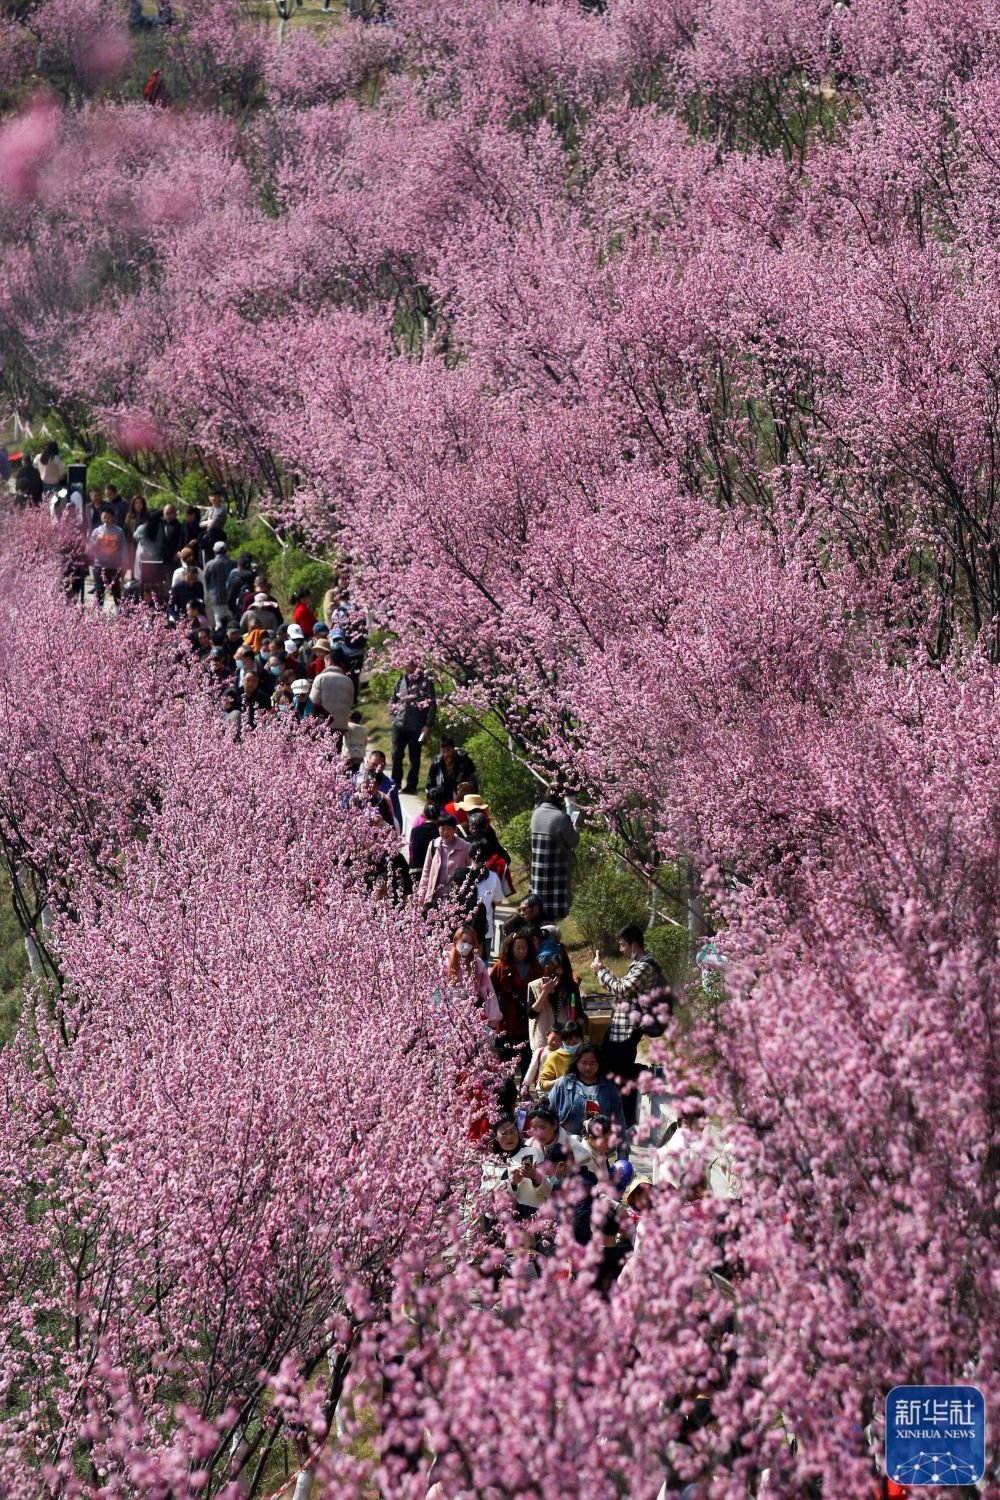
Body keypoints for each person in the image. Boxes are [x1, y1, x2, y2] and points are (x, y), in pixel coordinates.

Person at [593, 923, 672, 1130]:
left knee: (621, 1076)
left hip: (627, 1031)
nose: (621, 949)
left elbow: (621, 990)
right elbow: (624, 988)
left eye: (622, 945)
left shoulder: (645, 966)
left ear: (634, 945)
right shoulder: (638, 965)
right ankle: (619, 1118)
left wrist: (601, 971)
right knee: (614, 1071)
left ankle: (626, 1121)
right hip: (621, 1028)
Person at [489, 930, 543, 1073]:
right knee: (506, 1062)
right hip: (506, 1021)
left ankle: (525, 1085)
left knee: (527, 1060)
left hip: (528, 1020)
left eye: (524, 948)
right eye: (518, 948)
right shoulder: (501, 966)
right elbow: (490, 990)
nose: (521, 951)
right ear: (511, 948)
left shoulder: (535, 967)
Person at [547, 1045, 627, 1139]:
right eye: (584, 1062)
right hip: (567, 1142)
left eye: (593, 1063)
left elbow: (619, 1121)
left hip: (599, 1143)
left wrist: (621, 1145)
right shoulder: (564, 1084)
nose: (588, 1067)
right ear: (576, 1062)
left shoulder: (610, 1089)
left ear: (599, 1063)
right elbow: (548, 1113)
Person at [529, 787, 580, 920]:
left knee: (537, 912)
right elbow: (573, 840)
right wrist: (574, 827)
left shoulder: (536, 813)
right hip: (556, 876)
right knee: (553, 917)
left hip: (537, 875)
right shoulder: (561, 818)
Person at [388, 660, 437, 794]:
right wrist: (392, 717)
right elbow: (393, 700)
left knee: (414, 757)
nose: (408, 666)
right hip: (399, 724)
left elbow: (432, 705)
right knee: (396, 754)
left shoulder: (426, 682)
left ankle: (411, 785)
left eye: (411, 663)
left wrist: (428, 725)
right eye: (406, 663)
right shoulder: (400, 680)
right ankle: (395, 783)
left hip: (417, 726)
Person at [526, 939, 581, 1053]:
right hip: (543, 1043)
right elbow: (531, 1013)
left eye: (561, 976)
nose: (557, 980)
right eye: (554, 975)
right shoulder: (534, 986)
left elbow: (579, 1014)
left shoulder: (570, 987)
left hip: (566, 1043)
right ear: (548, 971)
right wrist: (545, 992)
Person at [442, 924, 500, 1024]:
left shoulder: (478, 964)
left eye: (470, 943)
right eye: (464, 941)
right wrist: (438, 1009)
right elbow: (436, 989)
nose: (466, 946)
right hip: (446, 1014)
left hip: (470, 1015)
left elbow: (488, 991)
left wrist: (493, 1016)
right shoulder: (445, 962)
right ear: (455, 941)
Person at [417, 812, 472, 906]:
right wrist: (421, 893)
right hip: (433, 897)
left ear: (455, 829)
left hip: (455, 899)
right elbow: (426, 871)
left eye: (449, 829)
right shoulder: (434, 845)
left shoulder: (465, 847)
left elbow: (471, 871)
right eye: (442, 829)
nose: (445, 832)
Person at [309, 643, 355, 736]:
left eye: (325, 662)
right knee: (337, 745)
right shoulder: (348, 681)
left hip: (324, 724)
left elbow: (313, 702)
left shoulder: (320, 678)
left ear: (329, 661)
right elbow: (350, 703)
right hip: (342, 723)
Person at [355, 750, 403, 835]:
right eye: (374, 764)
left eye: (380, 765)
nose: (377, 768)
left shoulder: (390, 784)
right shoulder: (357, 778)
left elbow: (396, 809)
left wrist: (398, 830)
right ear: (367, 762)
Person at [88, 506, 127, 606]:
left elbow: (123, 549)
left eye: (109, 517)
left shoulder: (119, 531)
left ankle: (118, 610)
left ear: (113, 518)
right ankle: (99, 610)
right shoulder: (96, 531)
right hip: (99, 565)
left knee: (116, 589)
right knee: (99, 590)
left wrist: (124, 565)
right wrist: (96, 542)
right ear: (101, 517)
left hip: (114, 566)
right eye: (104, 517)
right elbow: (90, 549)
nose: (106, 520)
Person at [425, 736, 476, 807]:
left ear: (453, 749)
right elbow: (429, 784)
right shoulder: (436, 763)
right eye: (443, 751)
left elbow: (474, 779)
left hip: (461, 802)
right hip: (441, 801)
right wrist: (434, 792)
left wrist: (467, 785)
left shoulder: (465, 761)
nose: (446, 754)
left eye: (448, 750)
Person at [538, 1019, 585, 1093]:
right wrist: (561, 1081)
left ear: (582, 1039)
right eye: (568, 1043)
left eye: (575, 1042)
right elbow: (543, 1084)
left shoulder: (588, 1054)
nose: (571, 1045)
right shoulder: (554, 1057)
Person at [407, 802, 440, 885]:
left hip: (415, 869)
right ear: (439, 816)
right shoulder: (439, 833)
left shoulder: (415, 831)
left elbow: (411, 850)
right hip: (432, 871)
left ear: (424, 815)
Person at [203, 540, 233, 629]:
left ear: (214, 551)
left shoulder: (210, 564)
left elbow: (205, 581)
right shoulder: (233, 563)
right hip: (231, 598)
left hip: (216, 598)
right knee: (231, 622)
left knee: (218, 623)